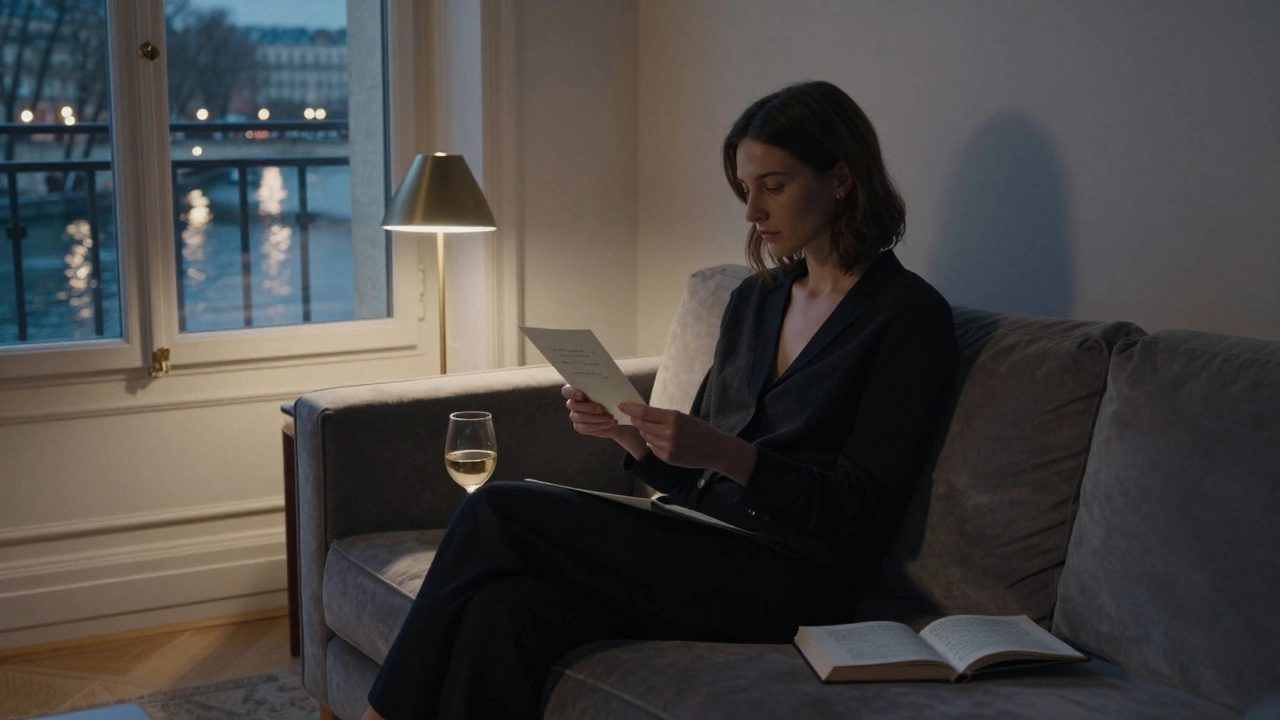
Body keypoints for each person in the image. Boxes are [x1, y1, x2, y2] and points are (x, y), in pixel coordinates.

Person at [359, 80, 959, 720]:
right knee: (501, 610)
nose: (753, 211)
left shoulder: (906, 317)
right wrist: (629, 434)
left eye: (774, 186)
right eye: (745, 188)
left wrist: (729, 456)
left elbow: (860, 514)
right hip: (701, 541)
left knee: (497, 509)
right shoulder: (756, 300)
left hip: (794, 580)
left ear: (840, 178)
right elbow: (695, 470)